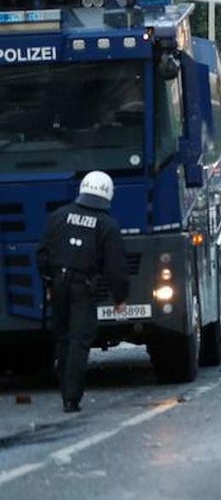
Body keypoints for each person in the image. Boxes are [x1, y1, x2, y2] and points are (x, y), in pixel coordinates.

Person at [36, 171, 128, 412]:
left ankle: (64, 389)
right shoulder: (107, 225)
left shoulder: (59, 216)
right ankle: (71, 397)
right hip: (83, 288)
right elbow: (115, 266)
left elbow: (43, 252)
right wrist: (120, 298)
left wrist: (47, 283)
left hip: (57, 284)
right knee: (79, 340)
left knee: (62, 339)